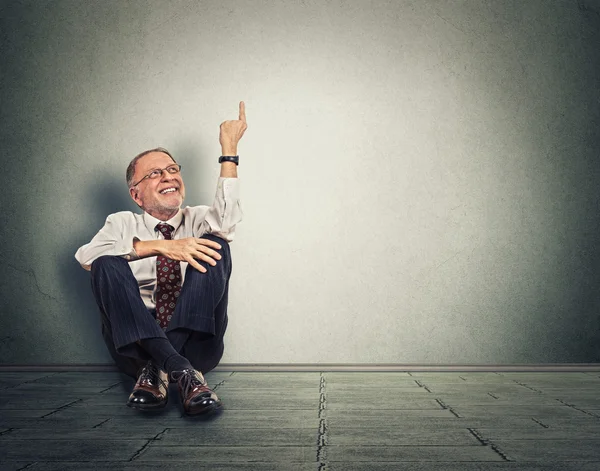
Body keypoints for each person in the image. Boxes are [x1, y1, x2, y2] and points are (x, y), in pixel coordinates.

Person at [75, 102, 247, 416]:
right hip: (134, 349)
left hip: (199, 345)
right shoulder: (121, 223)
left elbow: (226, 222)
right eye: (155, 173)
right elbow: (86, 256)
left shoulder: (199, 219)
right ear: (136, 194)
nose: (168, 176)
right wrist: (158, 247)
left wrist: (229, 150)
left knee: (215, 244)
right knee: (105, 262)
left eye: (172, 169)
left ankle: (164, 369)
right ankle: (184, 374)